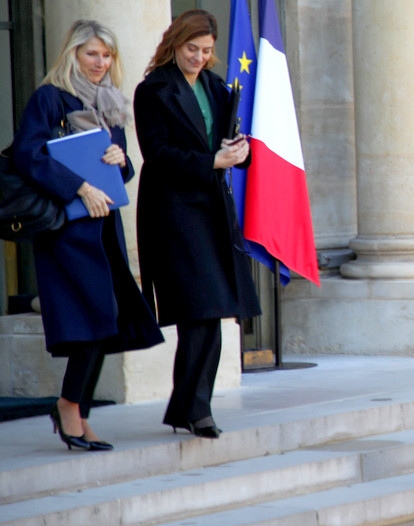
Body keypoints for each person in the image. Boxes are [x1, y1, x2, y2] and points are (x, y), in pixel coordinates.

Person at [12, 20, 164, 451]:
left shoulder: (109, 101)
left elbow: (123, 170)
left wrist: (120, 159)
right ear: (73, 54)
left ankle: (77, 412)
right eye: (91, 54)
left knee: (106, 321)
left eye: (106, 55)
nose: (100, 63)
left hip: (104, 227)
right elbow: (28, 154)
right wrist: (78, 186)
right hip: (68, 229)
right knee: (95, 318)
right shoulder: (50, 97)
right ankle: (68, 406)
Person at [133, 10, 261, 439]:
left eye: (207, 50)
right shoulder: (153, 90)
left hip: (213, 210)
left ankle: (188, 407)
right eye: (192, 49)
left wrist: (240, 152)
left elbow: (226, 140)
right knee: (202, 310)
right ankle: (194, 409)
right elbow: (157, 154)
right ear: (175, 44)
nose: (200, 57)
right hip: (174, 212)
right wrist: (211, 161)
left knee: (213, 311)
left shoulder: (214, 85)